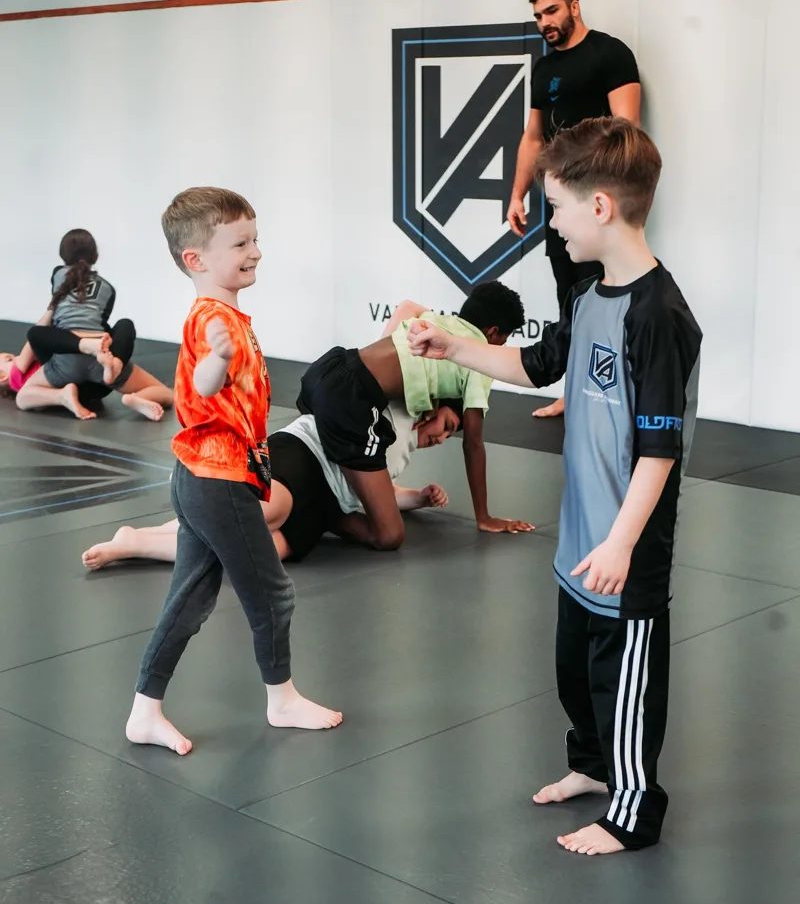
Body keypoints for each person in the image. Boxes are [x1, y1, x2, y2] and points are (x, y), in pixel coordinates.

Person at [409, 117, 702, 855]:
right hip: (579, 538)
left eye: (559, 208)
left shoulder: (659, 316)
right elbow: (536, 366)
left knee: (624, 675)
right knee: (576, 669)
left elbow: (661, 450)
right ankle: (594, 767)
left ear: (601, 207)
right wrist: (454, 347)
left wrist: (623, 543)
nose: (553, 225)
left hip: (624, 546)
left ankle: (633, 810)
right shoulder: (589, 294)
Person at [126, 186, 342, 757]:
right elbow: (200, 387)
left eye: (256, 239)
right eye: (241, 243)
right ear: (196, 259)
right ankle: (282, 697)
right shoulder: (209, 322)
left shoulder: (228, 316)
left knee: (190, 598)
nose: (256, 251)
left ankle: (144, 712)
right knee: (272, 593)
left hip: (204, 477)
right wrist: (218, 361)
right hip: (215, 481)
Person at [296, 281, 534, 553]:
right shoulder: (480, 355)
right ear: (492, 333)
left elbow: (408, 309)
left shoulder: (435, 321)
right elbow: (473, 443)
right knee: (388, 535)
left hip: (326, 368)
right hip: (349, 398)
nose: (503, 345)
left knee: (322, 456)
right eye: (505, 339)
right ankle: (323, 513)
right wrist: (484, 516)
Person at [81, 400, 458, 569]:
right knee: (267, 511)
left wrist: (419, 498)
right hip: (303, 451)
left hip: (328, 503)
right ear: (430, 410)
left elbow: (378, 494)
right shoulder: (396, 410)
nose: (442, 437)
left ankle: (138, 542)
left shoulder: (401, 454)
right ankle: (160, 519)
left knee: (263, 551)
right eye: (447, 426)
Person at [508, 0, 641, 419]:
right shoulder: (545, 70)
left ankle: (614, 394)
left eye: (551, 11)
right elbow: (533, 137)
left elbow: (627, 133)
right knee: (571, 298)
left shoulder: (611, 54)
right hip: (561, 207)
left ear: (574, 6)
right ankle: (573, 392)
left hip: (601, 207)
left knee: (610, 298)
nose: (544, 22)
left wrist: (606, 199)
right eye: (538, 16)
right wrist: (517, 194)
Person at [8, 229, 172, 420]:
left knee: (24, 397)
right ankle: (134, 393)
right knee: (165, 392)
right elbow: (103, 323)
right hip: (101, 358)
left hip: (66, 361)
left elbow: (51, 318)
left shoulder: (58, 274)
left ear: (63, 256)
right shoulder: (107, 287)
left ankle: (62, 395)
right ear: (95, 256)